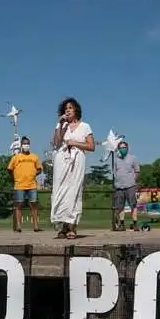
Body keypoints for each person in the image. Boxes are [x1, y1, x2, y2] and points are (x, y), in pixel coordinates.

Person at [51, 97, 95, 239]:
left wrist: (74, 143)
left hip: (77, 161)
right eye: (65, 108)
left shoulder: (85, 126)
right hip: (61, 161)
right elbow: (57, 143)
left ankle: (72, 227)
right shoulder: (61, 126)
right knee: (61, 191)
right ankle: (63, 226)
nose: (67, 110)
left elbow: (91, 146)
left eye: (70, 108)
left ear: (76, 110)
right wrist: (60, 124)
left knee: (74, 191)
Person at [7, 136, 43, 232]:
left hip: (32, 185)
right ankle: (18, 226)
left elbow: (39, 169)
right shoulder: (16, 157)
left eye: (27, 144)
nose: (26, 145)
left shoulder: (34, 157)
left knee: (34, 205)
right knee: (18, 205)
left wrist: (35, 173)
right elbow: (9, 169)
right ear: (21, 145)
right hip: (19, 185)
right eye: (24, 144)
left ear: (29, 145)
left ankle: (35, 226)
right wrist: (14, 177)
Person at [113, 141, 140, 231]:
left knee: (133, 205)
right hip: (119, 187)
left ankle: (135, 224)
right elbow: (115, 172)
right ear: (118, 149)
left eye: (124, 147)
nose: (122, 149)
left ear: (127, 148)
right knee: (120, 206)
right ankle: (122, 224)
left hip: (130, 186)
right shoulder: (116, 159)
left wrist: (133, 181)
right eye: (121, 148)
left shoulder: (133, 158)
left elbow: (137, 171)